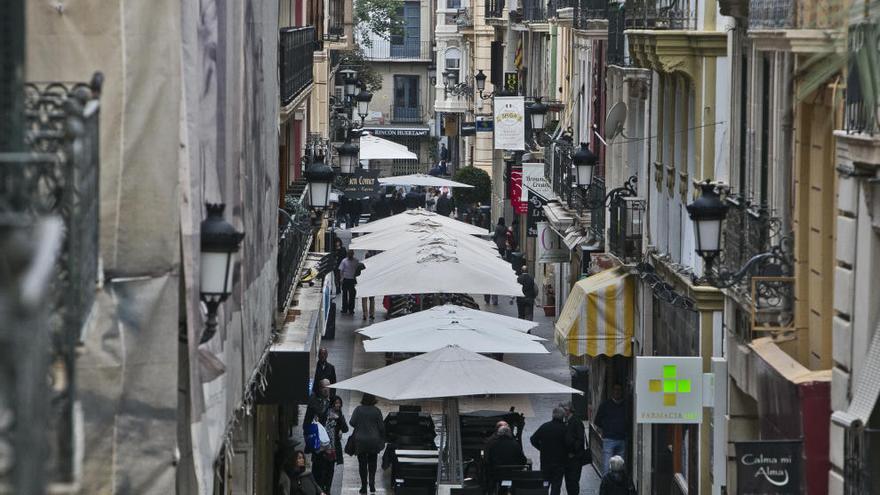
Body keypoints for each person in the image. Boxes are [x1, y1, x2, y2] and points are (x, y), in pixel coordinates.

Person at [350, 393, 386, 494]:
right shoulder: (377, 411)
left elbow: (352, 422)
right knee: (372, 462)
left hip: (360, 441)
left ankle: (363, 486)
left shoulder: (358, 409)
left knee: (362, 464)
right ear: (374, 399)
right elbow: (382, 427)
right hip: (373, 441)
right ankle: (372, 483)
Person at [529, 407, 569, 495]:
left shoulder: (545, 426)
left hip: (546, 462)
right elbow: (569, 445)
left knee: (545, 484)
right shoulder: (565, 429)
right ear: (563, 416)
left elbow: (533, 439)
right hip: (560, 463)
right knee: (556, 485)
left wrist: (541, 448)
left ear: (553, 415)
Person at [303, 380, 333, 492]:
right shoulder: (315, 400)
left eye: (328, 387)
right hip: (318, 440)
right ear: (319, 389)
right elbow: (320, 412)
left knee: (328, 467)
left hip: (328, 441)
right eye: (323, 387)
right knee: (318, 466)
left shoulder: (331, 401)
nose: (326, 389)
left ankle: (325, 489)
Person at [594, 384, 629, 473]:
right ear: (612, 392)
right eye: (615, 390)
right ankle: (606, 486)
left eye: (619, 390)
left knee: (620, 466)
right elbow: (597, 420)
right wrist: (606, 428)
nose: (617, 392)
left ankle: (618, 485)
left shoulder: (625, 405)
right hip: (609, 439)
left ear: (622, 392)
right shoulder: (605, 405)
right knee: (607, 466)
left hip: (622, 439)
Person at [562, 402, 588, 495]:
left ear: (568, 410)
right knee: (569, 482)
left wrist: (573, 452)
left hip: (575, 458)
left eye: (563, 410)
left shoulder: (576, 421)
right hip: (567, 458)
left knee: (573, 482)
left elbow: (580, 440)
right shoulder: (565, 421)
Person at [360, 251, 377, 321]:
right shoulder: (374, 266)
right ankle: (372, 314)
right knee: (372, 299)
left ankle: (365, 314)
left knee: (364, 299)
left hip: (364, 284)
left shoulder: (362, 265)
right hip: (372, 284)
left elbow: (358, 274)